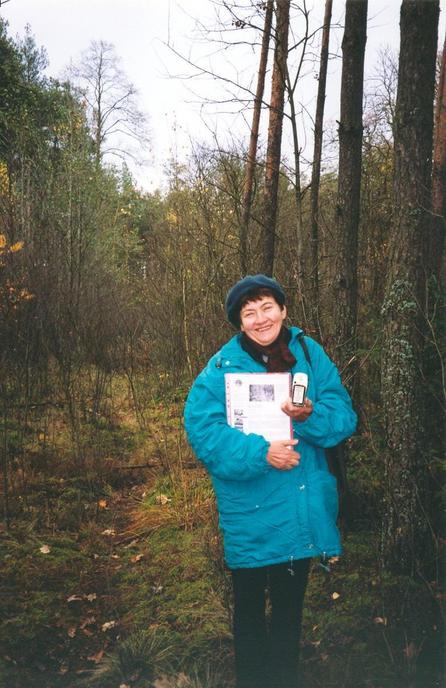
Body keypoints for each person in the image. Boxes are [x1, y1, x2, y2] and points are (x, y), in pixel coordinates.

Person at [183, 275, 357, 688]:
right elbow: (203, 430)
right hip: (250, 509)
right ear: (239, 323)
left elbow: (344, 417)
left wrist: (310, 416)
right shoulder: (221, 369)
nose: (260, 319)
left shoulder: (309, 354)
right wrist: (262, 454)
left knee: (288, 610)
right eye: (249, 313)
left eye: (266, 308)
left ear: (282, 310)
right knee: (248, 610)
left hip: (300, 506)